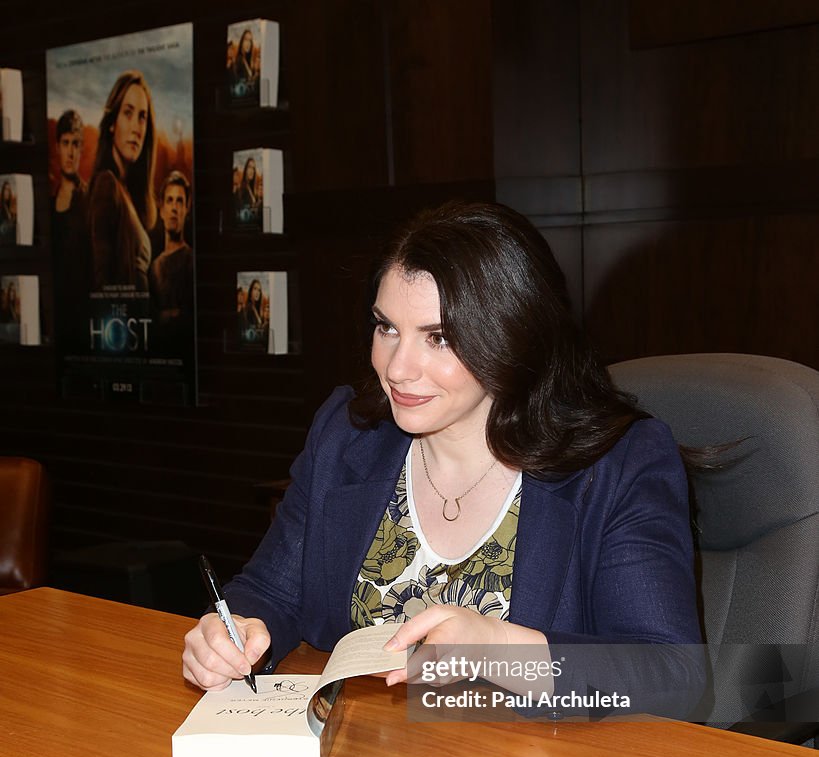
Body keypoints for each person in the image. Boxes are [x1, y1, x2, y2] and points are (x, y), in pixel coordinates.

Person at [183, 201, 705, 717]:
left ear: (512, 335)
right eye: (387, 328)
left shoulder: (619, 462)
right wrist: (236, 632)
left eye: (439, 338)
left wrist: (500, 650)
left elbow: (672, 678)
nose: (398, 368)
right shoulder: (347, 435)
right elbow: (269, 589)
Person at [88, 71, 157, 294]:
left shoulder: (125, 190)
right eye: (128, 113)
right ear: (111, 124)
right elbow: (101, 281)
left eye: (142, 117)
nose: (137, 128)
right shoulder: (106, 185)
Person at [51, 110, 89, 344]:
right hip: (58, 311)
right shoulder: (49, 201)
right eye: (66, 143)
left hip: (83, 312)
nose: (71, 152)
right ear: (57, 147)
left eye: (76, 144)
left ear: (82, 149)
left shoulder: (88, 198)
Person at [149, 170, 193, 350]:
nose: (174, 208)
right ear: (161, 210)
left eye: (179, 201)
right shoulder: (154, 267)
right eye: (169, 200)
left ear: (186, 209)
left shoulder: (191, 260)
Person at [234, 155, 261, 227]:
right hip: (244, 228)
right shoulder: (240, 189)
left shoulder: (254, 190)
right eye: (249, 167)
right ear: (245, 169)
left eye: (253, 168)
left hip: (254, 227)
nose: (251, 170)